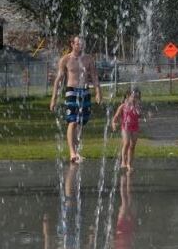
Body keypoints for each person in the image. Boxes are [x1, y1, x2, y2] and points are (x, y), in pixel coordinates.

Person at [49, 35, 102, 164]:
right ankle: (72, 152)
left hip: (84, 91)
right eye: (78, 43)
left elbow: (94, 76)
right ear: (72, 44)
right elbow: (59, 80)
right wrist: (54, 98)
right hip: (71, 91)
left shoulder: (88, 59)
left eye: (82, 43)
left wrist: (98, 92)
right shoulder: (65, 59)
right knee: (72, 122)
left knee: (80, 124)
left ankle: (76, 152)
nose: (81, 45)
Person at [111, 88, 143, 172]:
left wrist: (138, 110)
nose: (135, 99)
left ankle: (129, 163)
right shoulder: (123, 106)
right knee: (126, 143)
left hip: (135, 127)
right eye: (133, 97)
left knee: (132, 146)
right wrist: (114, 123)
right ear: (128, 96)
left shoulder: (137, 106)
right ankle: (123, 162)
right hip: (125, 127)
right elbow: (116, 116)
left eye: (137, 97)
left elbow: (140, 115)